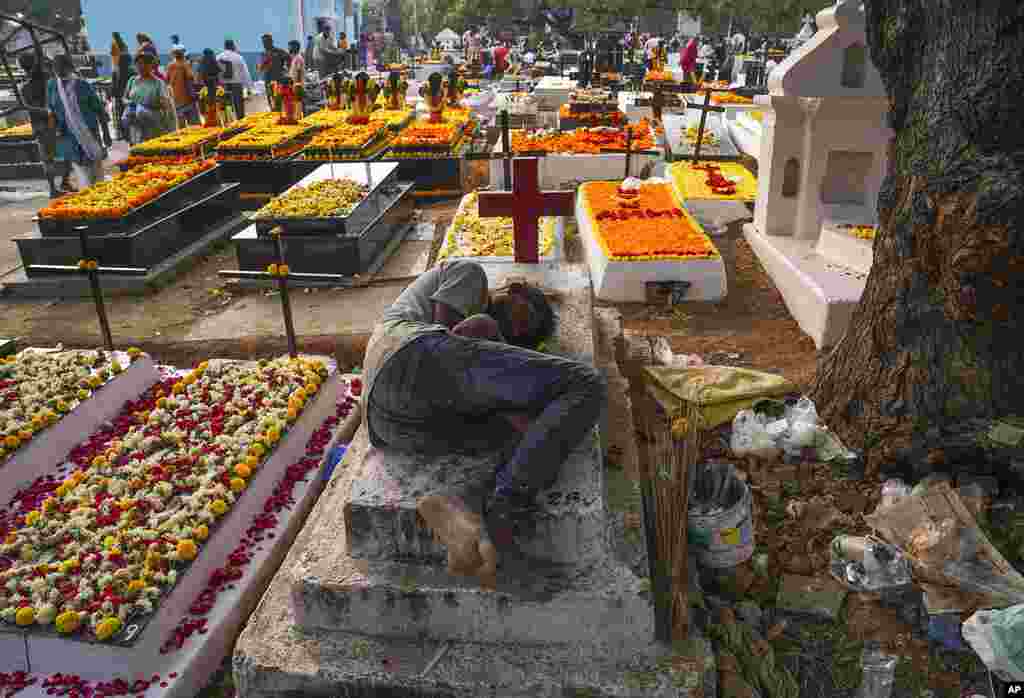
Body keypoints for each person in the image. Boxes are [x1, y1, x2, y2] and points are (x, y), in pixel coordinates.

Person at [362, 260, 606, 583]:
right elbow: (452, 337)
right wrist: (508, 397)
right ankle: (505, 514)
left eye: (525, 337)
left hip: (389, 426)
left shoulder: (484, 340)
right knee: (586, 384)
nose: (519, 331)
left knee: (536, 432)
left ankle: (464, 509)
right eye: (527, 317)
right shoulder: (469, 274)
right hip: (408, 353)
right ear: (516, 291)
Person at [47, 54, 108, 191]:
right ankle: (89, 197)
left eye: (62, 67)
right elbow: (51, 110)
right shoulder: (52, 86)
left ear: (69, 67)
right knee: (81, 169)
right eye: (55, 67)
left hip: (88, 133)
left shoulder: (82, 85)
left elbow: (99, 110)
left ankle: (100, 195)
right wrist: (53, 132)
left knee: (94, 167)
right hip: (68, 136)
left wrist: (106, 134)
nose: (58, 70)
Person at [19, 53, 72, 196]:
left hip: (41, 125)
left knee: (50, 158)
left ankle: (57, 186)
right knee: (62, 153)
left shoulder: (27, 86)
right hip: (48, 122)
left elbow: (31, 108)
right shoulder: (43, 80)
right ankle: (59, 185)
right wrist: (49, 112)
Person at [122, 50, 175, 145]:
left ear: (151, 66)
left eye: (145, 64)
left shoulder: (158, 83)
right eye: (138, 64)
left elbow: (166, 105)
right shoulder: (132, 80)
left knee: (152, 149)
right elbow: (124, 98)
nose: (141, 67)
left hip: (153, 124)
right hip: (135, 124)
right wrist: (130, 104)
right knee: (137, 150)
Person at [218, 40, 252, 119]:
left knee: (226, 107)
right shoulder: (238, 57)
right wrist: (249, 88)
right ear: (233, 46)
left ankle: (227, 123)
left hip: (223, 85)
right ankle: (240, 123)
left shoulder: (218, 57)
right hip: (236, 84)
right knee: (239, 107)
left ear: (225, 46)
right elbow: (245, 73)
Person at [166, 47, 198, 125]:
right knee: (193, 124)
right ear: (182, 55)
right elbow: (190, 77)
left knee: (181, 125)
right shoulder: (185, 64)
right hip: (187, 98)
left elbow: (166, 80)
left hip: (176, 99)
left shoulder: (170, 66)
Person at [258, 34, 289, 110]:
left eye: (266, 42)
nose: (265, 44)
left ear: (271, 41)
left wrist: (286, 71)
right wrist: (263, 64)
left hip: (278, 80)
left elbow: (289, 59)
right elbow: (260, 68)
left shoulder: (279, 51)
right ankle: (273, 113)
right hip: (268, 80)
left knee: (279, 99)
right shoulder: (263, 54)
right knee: (271, 100)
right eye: (263, 42)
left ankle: (280, 114)